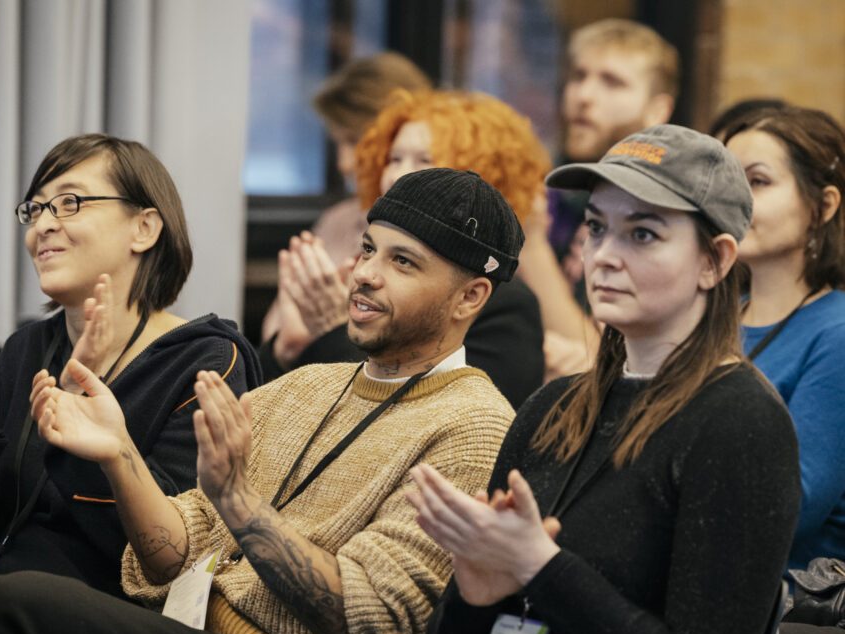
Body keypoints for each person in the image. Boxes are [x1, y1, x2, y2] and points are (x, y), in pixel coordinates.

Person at [0, 167, 520, 634]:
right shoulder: (308, 387)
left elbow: (376, 627)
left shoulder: (473, 426)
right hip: (192, 630)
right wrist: (119, 454)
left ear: (470, 297)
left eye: (403, 262)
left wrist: (238, 502)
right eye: (367, 249)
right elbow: (170, 556)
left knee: (15, 610)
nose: (363, 274)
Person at [410, 125, 800, 634]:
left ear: (715, 260)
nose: (605, 257)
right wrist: (480, 594)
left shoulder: (741, 423)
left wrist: (541, 568)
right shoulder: (552, 408)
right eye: (596, 228)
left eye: (642, 234)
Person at [0, 134, 262, 600]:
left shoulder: (207, 363)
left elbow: (171, 565)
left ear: (144, 229)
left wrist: (95, 448)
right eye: (36, 209)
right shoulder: (26, 351)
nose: (43, 225)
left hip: (110, 624)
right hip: (0, 607)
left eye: (69, 203)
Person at [264, 89, 548, 408]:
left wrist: (333, 332)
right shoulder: (355, 262)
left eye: (424, 161)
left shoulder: (504, 304)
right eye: (394, 158)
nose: (398, 174)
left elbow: (434, 417)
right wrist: (285, 351)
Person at [724, 107, 845, 572]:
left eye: (757, 181)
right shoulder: (716, 317)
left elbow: (790, 508)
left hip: (787, 602)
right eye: (729, 182)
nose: (736, 200)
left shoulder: (835, 334)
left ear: (824, 205)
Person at [525, 19, 680, 378]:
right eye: (578, 76)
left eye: (612, 82)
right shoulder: (556, 192)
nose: (583, 96)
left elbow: (599, 361)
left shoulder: (661, 216)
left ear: (657, 111)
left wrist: (531, 244)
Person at [260, 52, 430, 346]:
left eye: (355, 141)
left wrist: (332, 330)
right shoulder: (337, 220)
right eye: (338, 142)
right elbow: (277, 331)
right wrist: (284, 349)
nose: (344, 163)